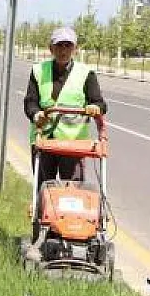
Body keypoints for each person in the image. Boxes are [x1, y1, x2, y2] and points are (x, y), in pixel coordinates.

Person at [22, 26, 108, 192]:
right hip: (44, 140)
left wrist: (94, 108)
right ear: (51, 48)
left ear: (75, 49)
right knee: (43, 190)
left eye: (68, 45)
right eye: (59, 45)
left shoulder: (86, 74)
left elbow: (100, 103)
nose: (63, 50)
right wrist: (36, 114)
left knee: (73, 190)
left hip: (72, 143)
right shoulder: (38, 71)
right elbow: (30, 102)